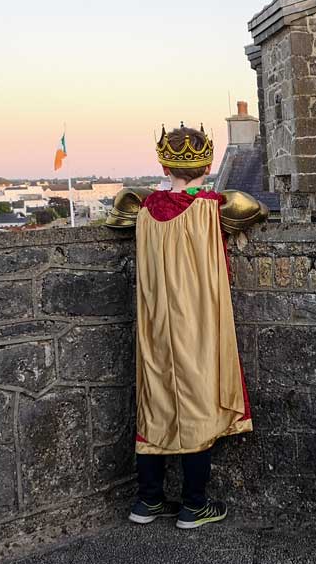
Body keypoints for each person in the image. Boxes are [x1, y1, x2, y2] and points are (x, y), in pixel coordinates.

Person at [106, 123, 267, 529]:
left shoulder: (144, 212)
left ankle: (148, 501)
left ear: (163, 162)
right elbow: (253, 209)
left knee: (155, 399)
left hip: (156, 322)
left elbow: (121, 213)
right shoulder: (211, 208)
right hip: (197, 320)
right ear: (209, 163)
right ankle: (194, 505)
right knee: (196, 402)